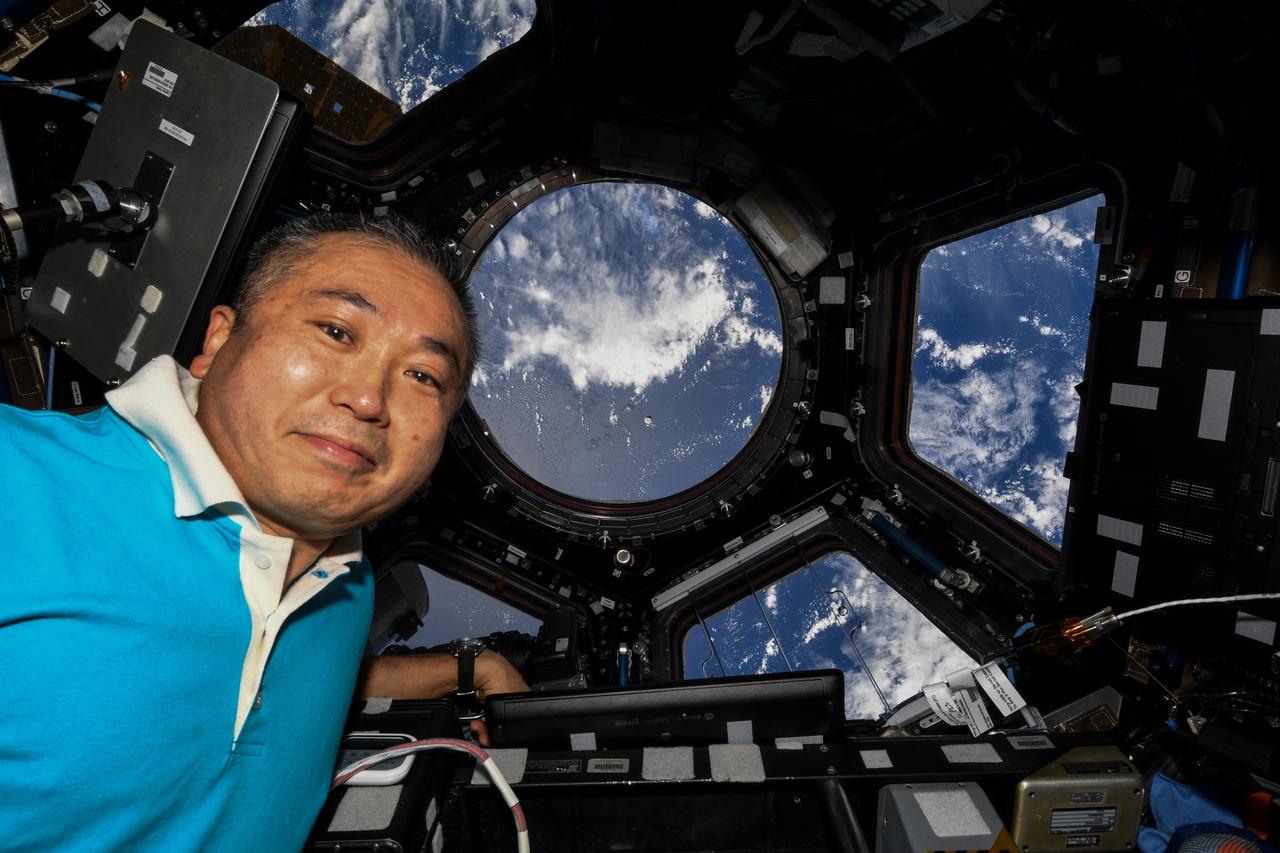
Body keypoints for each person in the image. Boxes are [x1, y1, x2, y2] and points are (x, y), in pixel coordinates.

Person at [0, 213, 526, 851]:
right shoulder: (17, 476)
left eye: (423, 376)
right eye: (336, 331)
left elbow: (282, 674)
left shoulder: (348, 584)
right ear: (220, 339)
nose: (368, 398)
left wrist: (469, 665)